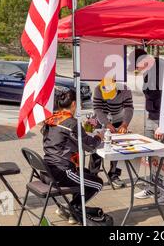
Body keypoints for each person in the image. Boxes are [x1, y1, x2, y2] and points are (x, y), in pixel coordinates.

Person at [42, 86, 104, 225]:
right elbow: (90, 146)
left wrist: (82, 133)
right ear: (74, 104)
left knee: (86, 173)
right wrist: (99, 136)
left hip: (47, 170)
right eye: (79, 103)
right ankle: (71, 209)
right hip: (61, 172)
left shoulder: (52, 119)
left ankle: (72, 211)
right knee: (97, 183)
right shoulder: (71, 123)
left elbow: (62, 142)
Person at [129, 49, 164, 201]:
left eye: (137, 66)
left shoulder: (162, 68)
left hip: (162, 120)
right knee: (151, 155)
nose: (136, 69)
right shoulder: (149, 69)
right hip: (151, 117)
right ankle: (152, 186)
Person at [93, 77, 134, 188]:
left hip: (118, 118)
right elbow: (97, 109)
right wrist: (106, 124)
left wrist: (125, 124)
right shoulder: (98, 89)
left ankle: (114, 174)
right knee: (96, 146)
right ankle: (93, 175)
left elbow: (129, 108)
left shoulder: (125, 90)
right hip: (101, 119)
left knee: (120, 147)